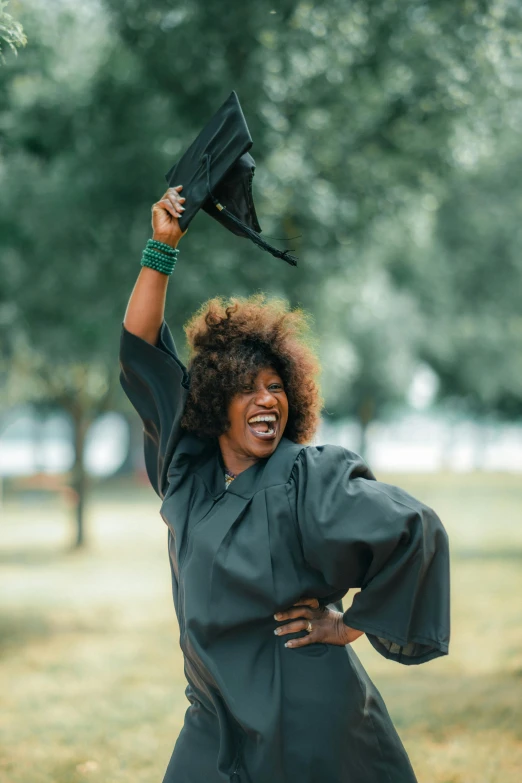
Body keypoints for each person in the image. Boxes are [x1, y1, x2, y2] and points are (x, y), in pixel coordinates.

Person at [119, 185, 450, 783]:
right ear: (217, 401)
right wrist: (161, 248)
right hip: (215, 715)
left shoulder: (307, 476)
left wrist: (349, 624)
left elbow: (414, 529)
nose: (267, 398)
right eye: (248, 388)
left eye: (276, 386)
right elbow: (142, 353)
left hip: (306, 723)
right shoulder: (188, 478)